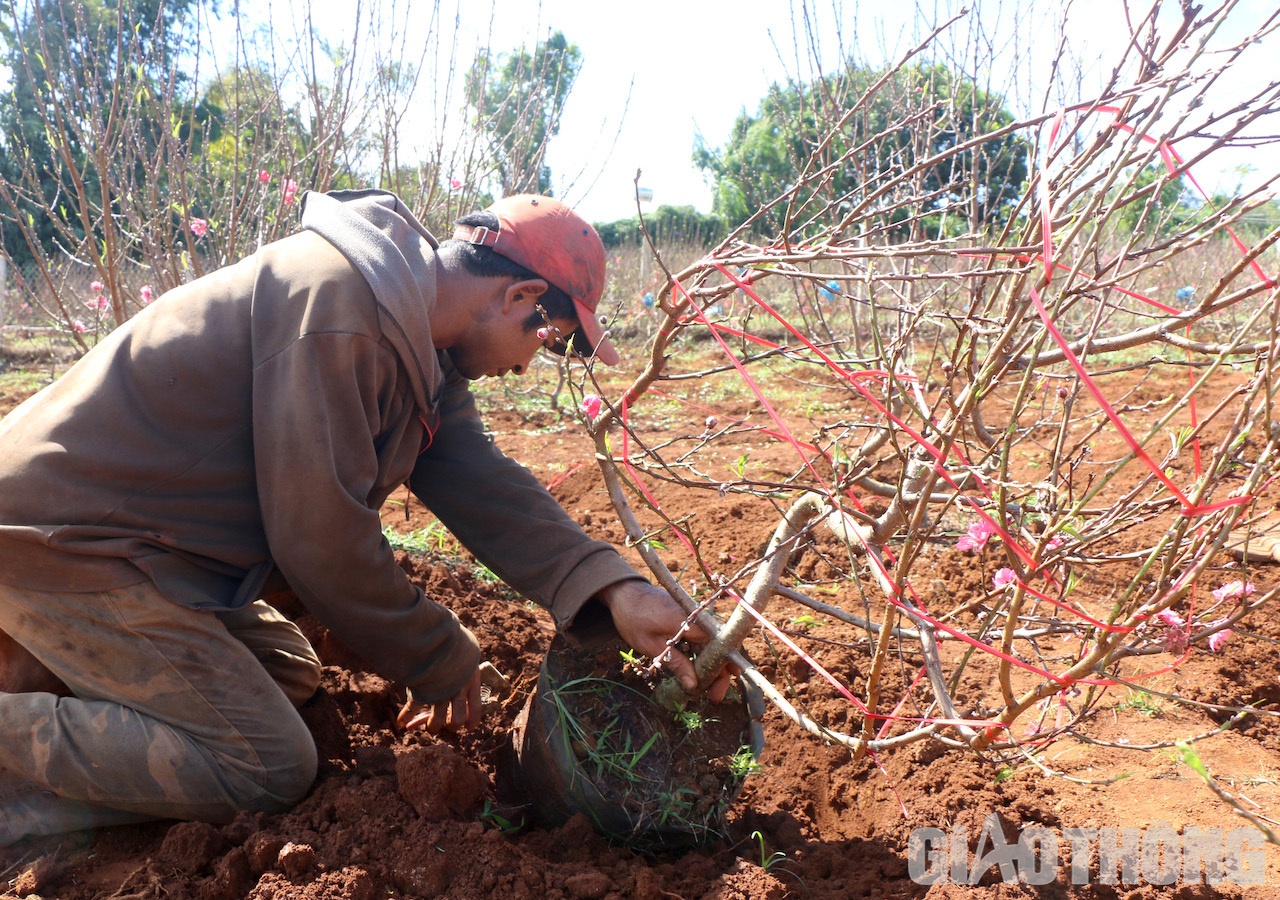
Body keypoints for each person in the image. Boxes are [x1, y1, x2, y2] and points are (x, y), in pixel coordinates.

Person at [0, 190, 728, 846]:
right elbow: (320, 541)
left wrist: (614, 589)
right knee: (265, 764)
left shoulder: (421, 342)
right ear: (521, 295)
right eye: (553, 340)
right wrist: (438, 655)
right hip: (66, 541)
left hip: (140, 547)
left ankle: (47, 672)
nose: (532, 366)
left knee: (288, 673)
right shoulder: (339, 309)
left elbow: (482, 481)